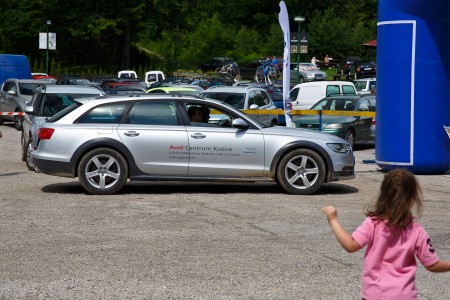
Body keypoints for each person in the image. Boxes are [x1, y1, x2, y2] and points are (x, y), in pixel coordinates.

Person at [322, 168, 450, 300]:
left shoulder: (373, 224)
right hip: (404, 296)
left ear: (383, 195)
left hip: (374, 295)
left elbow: (351, 245)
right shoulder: (417, 231)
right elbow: (433, 265)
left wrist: (333, 219)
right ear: (412, 199)